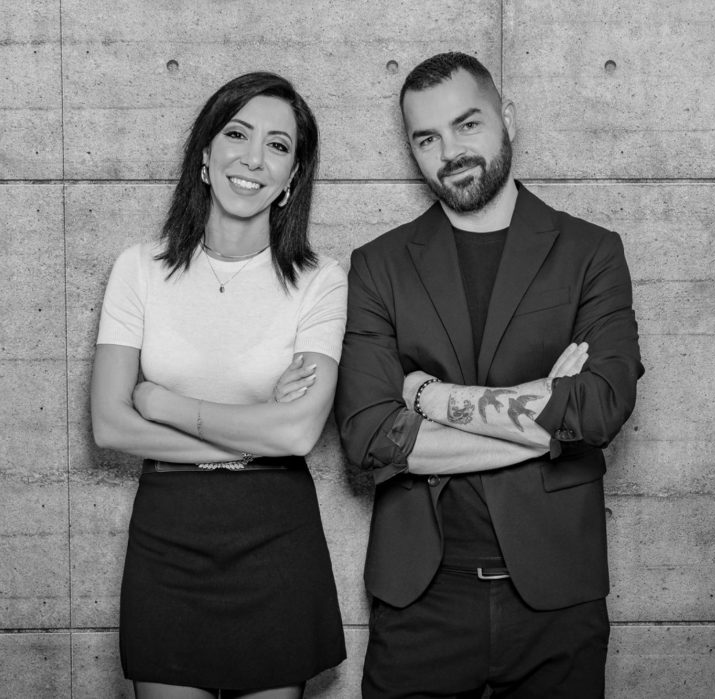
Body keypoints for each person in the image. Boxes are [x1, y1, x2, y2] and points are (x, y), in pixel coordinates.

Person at [335, 52, 643, 698]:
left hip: (557, 598)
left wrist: (428, 395)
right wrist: (548, 423)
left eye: (467, 124)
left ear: (509, 118)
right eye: (426, 138)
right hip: (420, 601)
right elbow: (368, 437)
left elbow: (601, 405)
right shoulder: (378, 266)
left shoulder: (591, 252)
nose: (450, 152)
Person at [91, 72, 347, 699]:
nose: (253, 159)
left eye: (277, 146)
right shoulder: (139, 269)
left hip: (276, 536)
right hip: (169, 533)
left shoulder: (320, 280)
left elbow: (299, 433)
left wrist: (161, 403)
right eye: (237, 134)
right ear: (205, 154)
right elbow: (110, 426)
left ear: (292, 177)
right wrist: (256, 433)